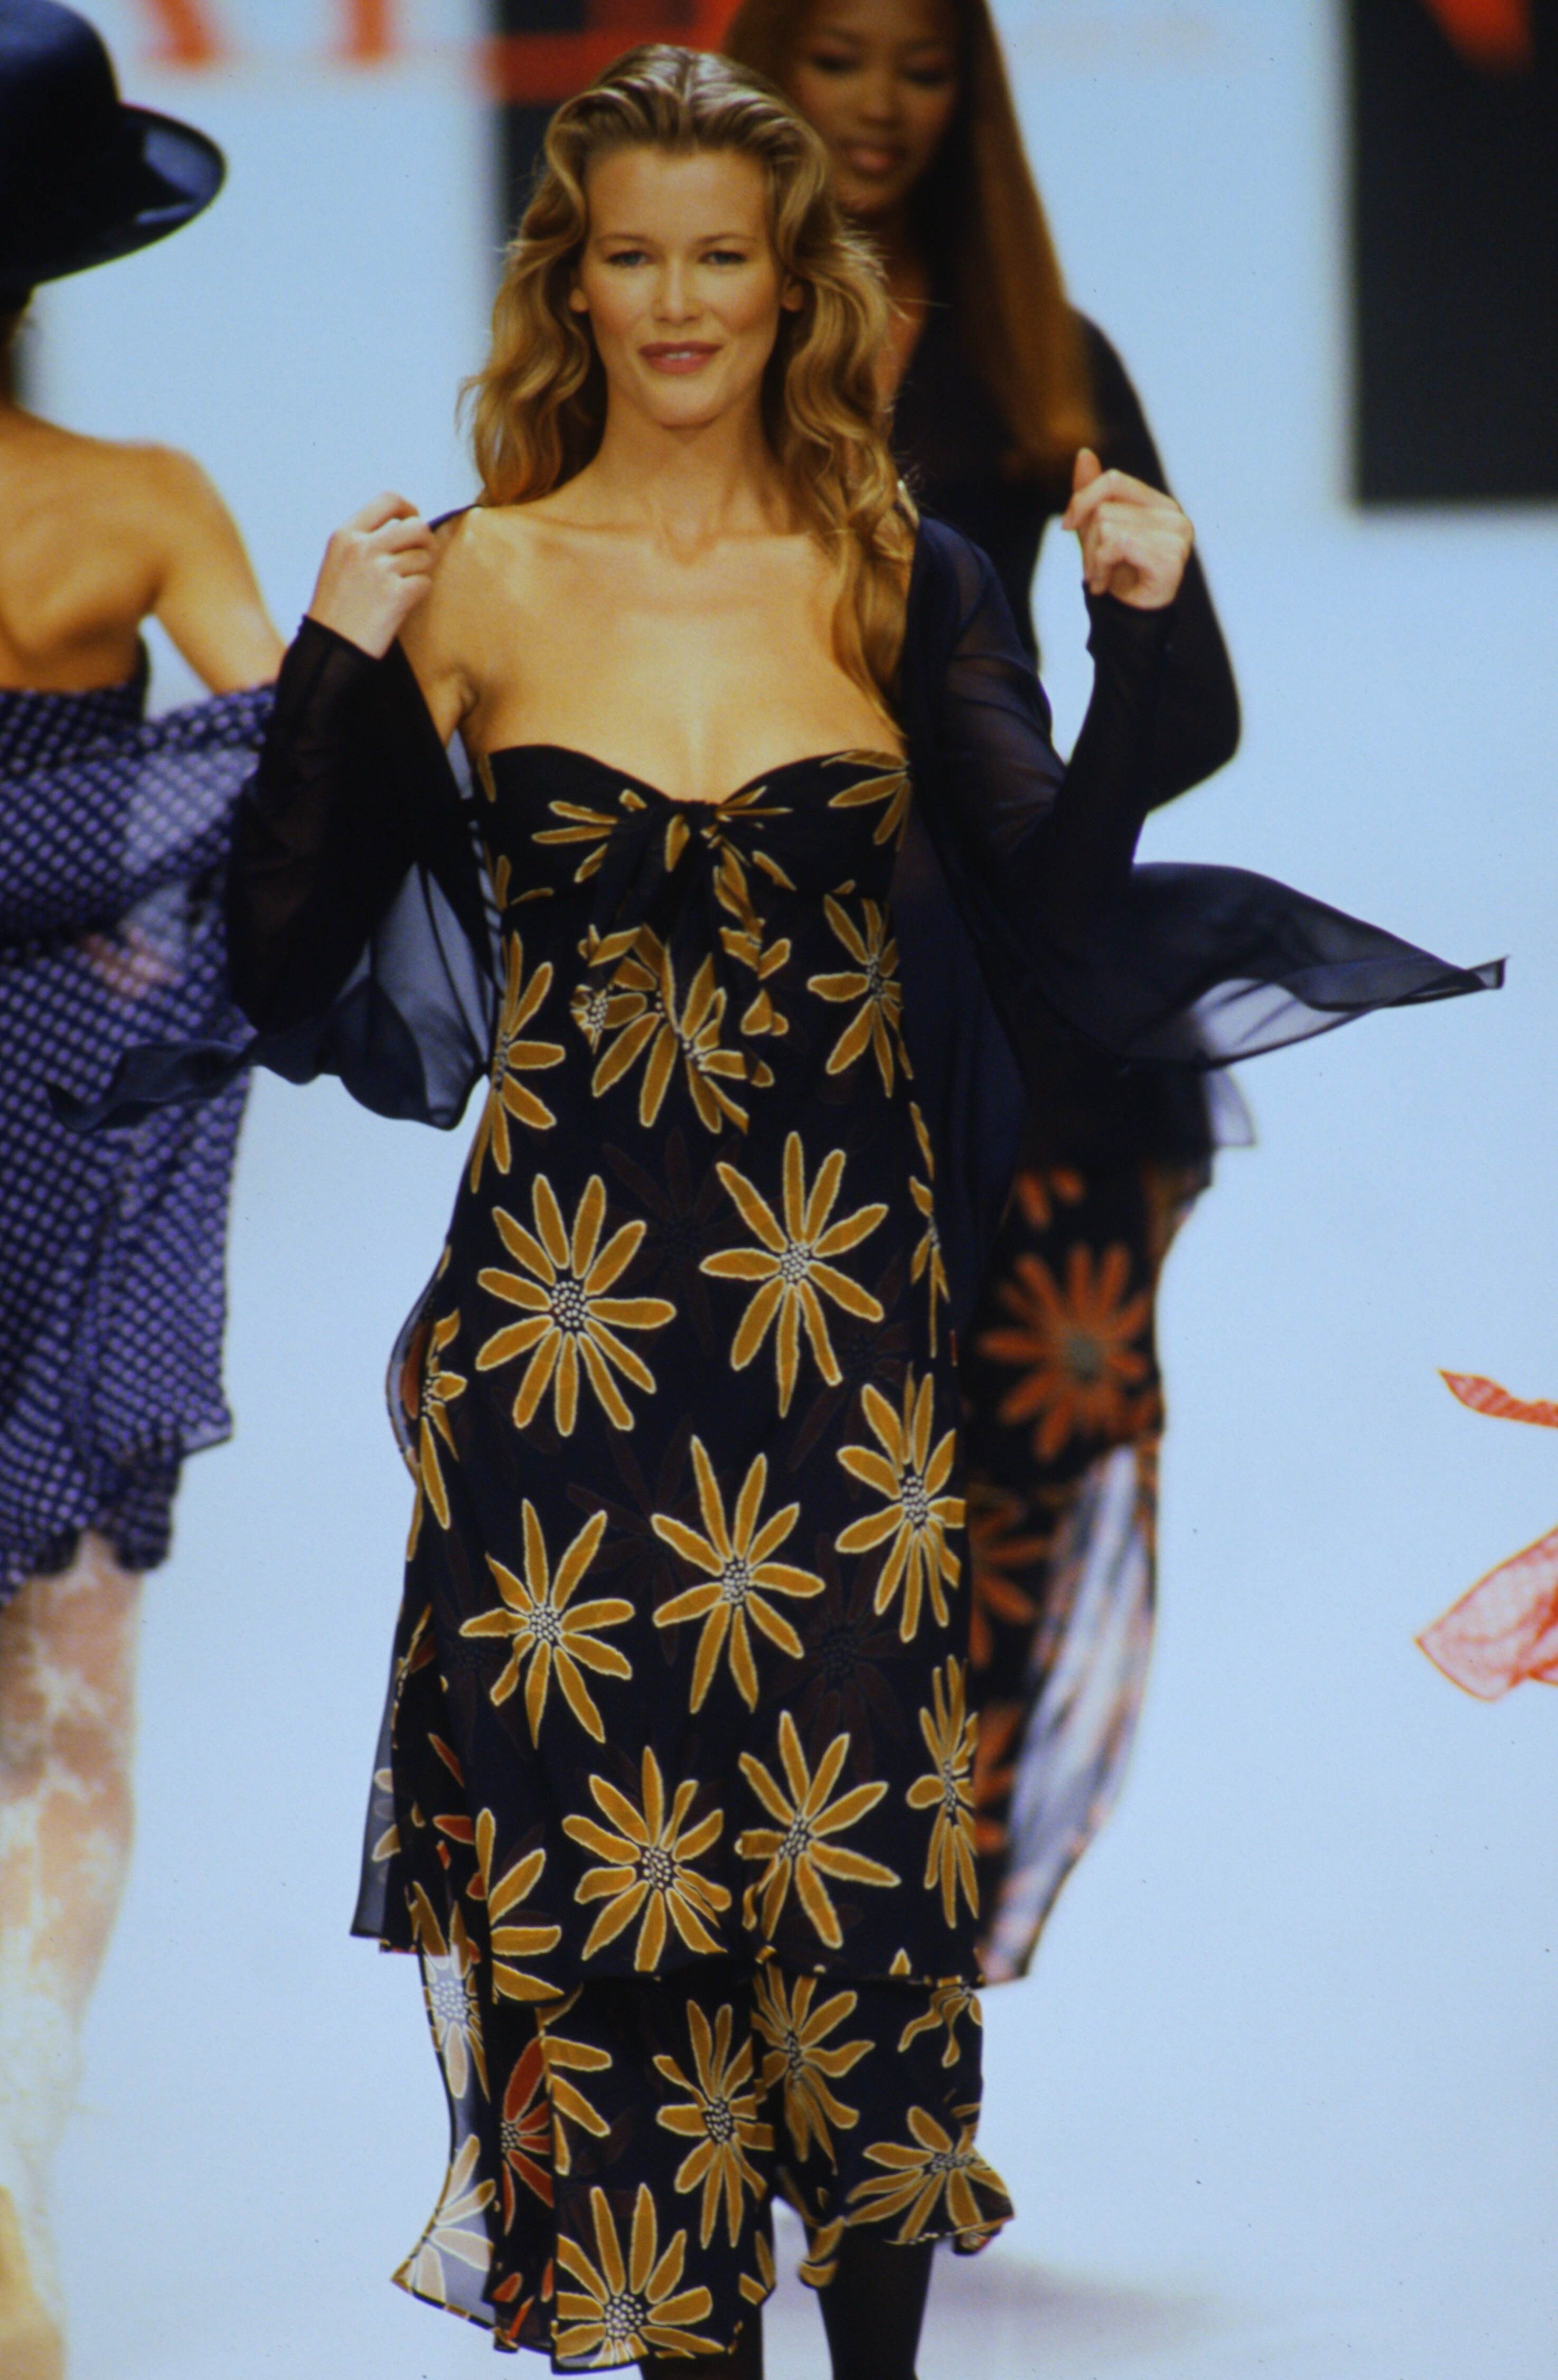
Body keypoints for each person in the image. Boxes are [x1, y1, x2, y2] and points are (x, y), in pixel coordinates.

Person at [215, 42, 1491, 2377]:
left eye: (722, 254)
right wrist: (333, 655)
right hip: (561, 1355)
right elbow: (288, 969)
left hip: (843, 1347)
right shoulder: (472, 579)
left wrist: (1152, 631)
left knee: (860, 1916)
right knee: (624, 1941)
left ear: (796, 282)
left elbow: (1055, 917)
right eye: (631, 256)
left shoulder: (901, 572)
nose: (676, 301)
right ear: (569, 285)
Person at [723, 0, 1243, 1979]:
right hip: (749, 1020)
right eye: (840, 54)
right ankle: (761, 2002)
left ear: (975, 95)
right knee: (756, 1523)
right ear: (768, 62)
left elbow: (1196, 708)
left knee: (987, 1535)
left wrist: (1123, 629)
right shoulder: (687, 336)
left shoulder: (1041, 355)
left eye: (924, 65)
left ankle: (899, 2009)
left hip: (1024, 1030)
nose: (877, 103)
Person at [0, 7, 281, 2373]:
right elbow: (293, 780)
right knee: (65, 1695)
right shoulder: (143, 497)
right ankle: (5, 2152)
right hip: (77, 1133)